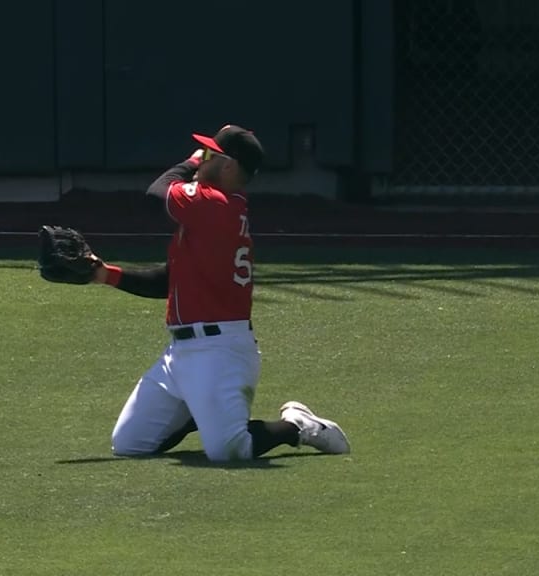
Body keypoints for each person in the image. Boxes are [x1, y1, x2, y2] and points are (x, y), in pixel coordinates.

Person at [90, 125, 350, 462]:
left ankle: (297, 426)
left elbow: (156, 193)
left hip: (219, 354)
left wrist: (190, 161)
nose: (202, 157)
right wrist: (103, 275)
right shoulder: (211, 213)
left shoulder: (215, 205)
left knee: (230, 451)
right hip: (180, 354)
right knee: (129, 444)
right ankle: (203, 409)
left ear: (228, 167)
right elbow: (167, 284)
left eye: (210, 153)